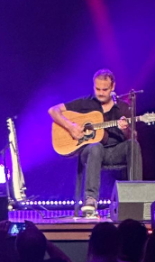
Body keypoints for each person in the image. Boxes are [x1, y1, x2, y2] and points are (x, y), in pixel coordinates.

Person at [48, 69, 141, 218]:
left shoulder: (123, 107)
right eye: (97, 89)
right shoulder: (86, 103)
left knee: (133, 145)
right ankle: (90, 200)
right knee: (96, 146)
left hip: (114, 151)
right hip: (91, 152)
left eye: (105, 89)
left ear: (113, 87)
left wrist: (126, 129)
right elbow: (53, 110)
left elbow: (133, 136)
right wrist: (70, 127)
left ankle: (136, 195)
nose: (101, 93)